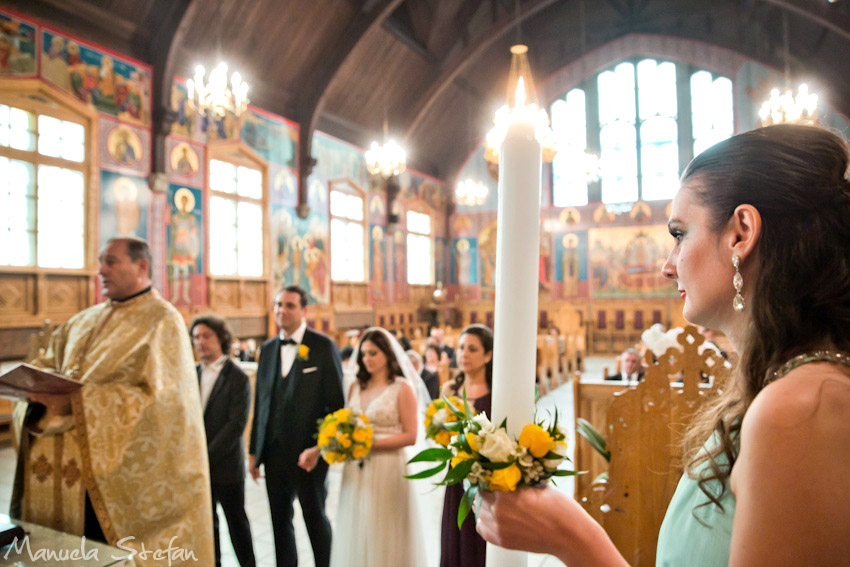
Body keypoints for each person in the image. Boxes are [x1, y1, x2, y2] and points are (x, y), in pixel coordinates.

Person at [475, 124, 850, 566]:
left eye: (678, 234)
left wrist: (574, 539)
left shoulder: (803, 408)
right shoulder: (785, 388)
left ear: (740, 233)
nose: (666, 266)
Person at [11, 237, 214, 566]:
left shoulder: (163, 321)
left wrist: (76, 401)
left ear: (142, 266)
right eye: (100, 261)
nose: (100, 270)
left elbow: (163, 403)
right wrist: (34, 385)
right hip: (61, 471)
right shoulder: (84, 319)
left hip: (106, 485)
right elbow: (50, 361)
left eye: (111, 261)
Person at [298, 327, 428, 567]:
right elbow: (342, 427)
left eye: (373, 353)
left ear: (387, 355)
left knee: (385, 527)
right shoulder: (356, 387)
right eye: (364, 354)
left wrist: (368, 444)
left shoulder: (402, 388)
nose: (367, 359)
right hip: (356, 469)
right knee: (359, 525)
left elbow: (411, 435)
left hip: (389, 467)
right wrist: (318, 450)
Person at [249, 285, 345, 567]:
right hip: (274, 453)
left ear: (304, 311)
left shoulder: (323, 346)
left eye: (290, 305)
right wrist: (255, 451)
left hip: (310, 454)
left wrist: (319, 448)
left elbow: (337, 408)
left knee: (315, 518)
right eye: (278, 305)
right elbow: (262, 404)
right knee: (280, 522)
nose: (282, 310)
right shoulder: (267, 350)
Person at [191, 315, 256, 567]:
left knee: (236, 522)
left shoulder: (237, 376)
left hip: (226, 465)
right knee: (208, 526)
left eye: (206, 336)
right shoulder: (192, 373)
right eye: (196, 337)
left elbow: (236, 424)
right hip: (197, 466)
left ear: (221, 338)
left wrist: (206, 454)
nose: (201, 342)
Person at [440, 324, 494, 567]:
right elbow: (441, 433)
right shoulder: (450, 390)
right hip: (456, 472)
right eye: (461, 348)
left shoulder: (496, 392)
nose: (464, 354)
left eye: (472, 349)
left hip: (486, 478)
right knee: (455, 534)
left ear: (488, 355)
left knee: (480, 539)